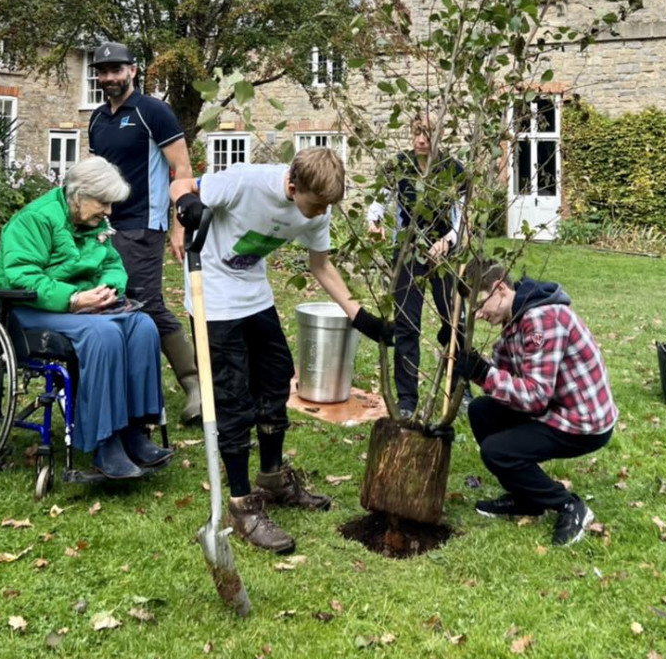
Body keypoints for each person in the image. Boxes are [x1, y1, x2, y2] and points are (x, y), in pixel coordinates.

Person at [175, 147, 394, 553]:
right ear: (292, 185)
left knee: (277, 375)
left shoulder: (320, 206)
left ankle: (272, 478)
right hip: (214, 293)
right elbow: (183, 183)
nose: (319, 214)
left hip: (253, 292)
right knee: (232, 397)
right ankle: (241, 505)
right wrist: (186, 203)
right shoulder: (245, 181)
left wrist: (360, 316)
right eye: (315, 205)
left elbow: (320, 265)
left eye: (327, 206)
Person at [0, 157, 173, 479]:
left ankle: (133, 431)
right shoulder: (36, 219)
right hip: (35, 311)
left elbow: (113, 265)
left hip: (88, 309)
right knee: (103, 336)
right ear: (78, 195)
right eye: (103, 203)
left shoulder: (95, 224)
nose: (109, 212)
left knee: (143, 326)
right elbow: (20, 276)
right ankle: (104, 443)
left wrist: (108, 289)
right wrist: (73, 298)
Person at [453, 260, 617, 547]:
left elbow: (534, 395)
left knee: (497, 452)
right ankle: (527, 499)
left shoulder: (542, 319)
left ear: (500, 288)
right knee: (481, 411)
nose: (478, 315)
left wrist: (483, 373)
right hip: (555, 408)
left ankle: (569, 506)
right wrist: (466, 359)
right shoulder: (515, 318)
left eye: (480, 305)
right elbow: (505, 376)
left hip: (583, 422)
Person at [87, 41, 201, 425]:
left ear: (133, 71)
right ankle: (127, 385)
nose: (108, 79)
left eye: (116, 70)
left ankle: (196, 385)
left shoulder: (154, 112)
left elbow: (182, 171)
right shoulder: (97, 120)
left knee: (147, 302)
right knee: (110, 301)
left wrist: (178, 228)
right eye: (102, 72)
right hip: (103, 227)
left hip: (143, 225)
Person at [367, 115, 466, 419]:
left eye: (427, 134)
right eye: (416, 133)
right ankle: (407, 400)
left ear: (439, 136)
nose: (420, 140)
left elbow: (463, 215)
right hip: (408, 254)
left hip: (442, 255)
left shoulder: (453, 169)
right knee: (407, 326)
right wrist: (374, 221)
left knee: (455, 323)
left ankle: (463, 391)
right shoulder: (399, 165)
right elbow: (377, 200)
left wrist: (448, 241)